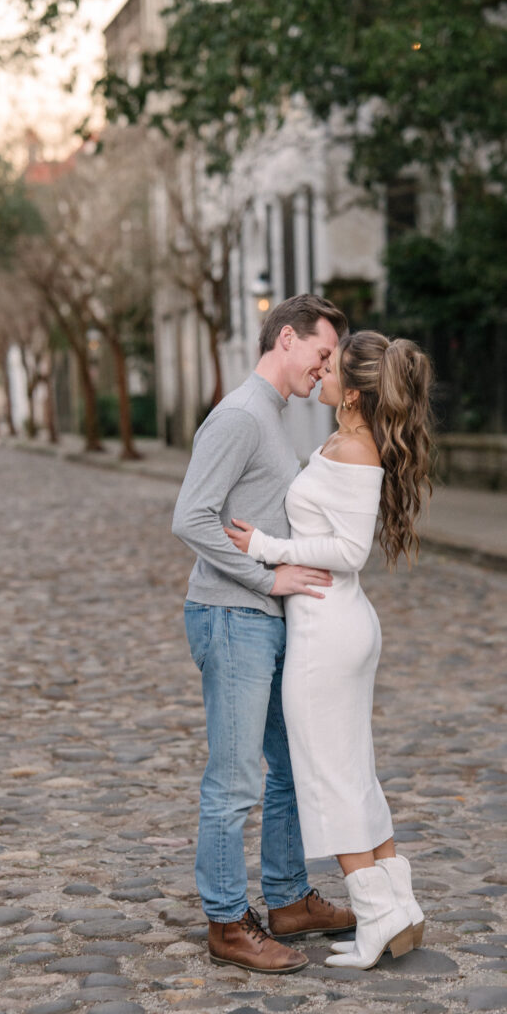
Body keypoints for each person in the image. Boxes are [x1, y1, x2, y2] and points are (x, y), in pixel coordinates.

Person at [225, 330, 433, 970]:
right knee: (353, 768)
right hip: (337, 626)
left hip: (326, 632)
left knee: (330, 774)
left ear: (355, 392)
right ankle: (397, 906)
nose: (321, 374)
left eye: (332, 368)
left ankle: (375, 919)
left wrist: (265, 547)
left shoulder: (355, 448)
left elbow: (348, 553)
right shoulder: (349, 442)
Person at [172, 294, 357, 975]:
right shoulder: (241, 415)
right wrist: (264, 577)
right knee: (235, 778)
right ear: (286, 338)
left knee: (290, 767)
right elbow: (190, 518)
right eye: (321, 353)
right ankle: (226, 922)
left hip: (265, 623)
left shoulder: (275, 416)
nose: (324, 367)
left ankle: (286, 900)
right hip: (232, 617)